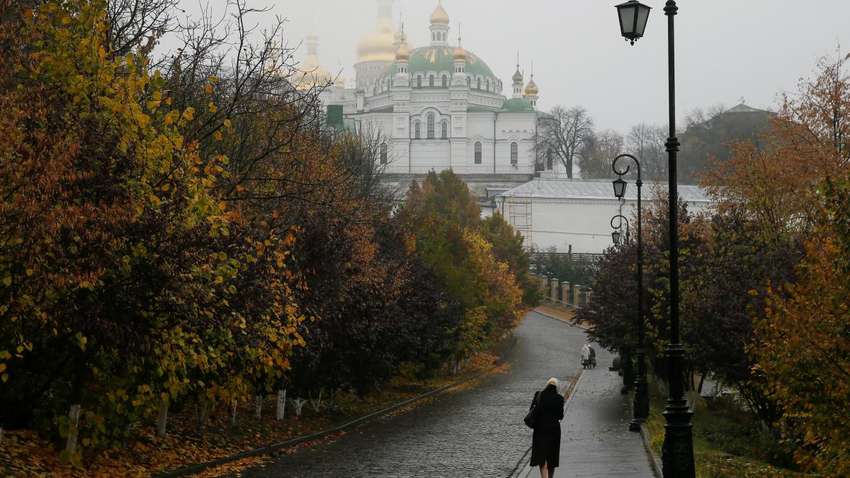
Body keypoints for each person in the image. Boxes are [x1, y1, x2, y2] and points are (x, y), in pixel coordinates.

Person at [528, 377, 565, 478]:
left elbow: (531, 410)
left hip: (540, 430)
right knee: (552, 457)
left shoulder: (538, 395)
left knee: (542, 457)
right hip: (554, 430)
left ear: (547, 385)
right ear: (556, 387)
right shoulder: (560, 398)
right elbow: (560, 416)